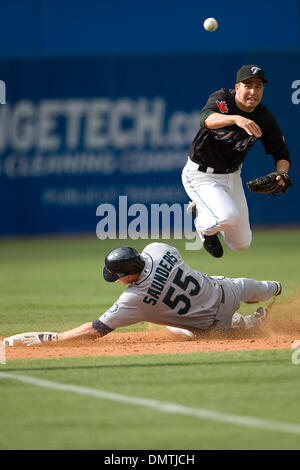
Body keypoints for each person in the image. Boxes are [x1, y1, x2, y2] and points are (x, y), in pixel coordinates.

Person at [4, 243, 282, 346]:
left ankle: (250, 323)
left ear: (126, 276)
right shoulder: (158, 249)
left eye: (117, 277)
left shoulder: (133, 300)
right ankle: (276, 291)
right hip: (227, 288)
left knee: (178, 326)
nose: (116, 281)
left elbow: (96, 330)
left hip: (215, 325)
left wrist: (57, 338)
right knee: (261, 287)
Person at [182, 64, 291, 258]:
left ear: (263, 90)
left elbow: (281, 152)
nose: (253, 91)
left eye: (258, 86)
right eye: (247, 85)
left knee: (241, 244)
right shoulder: (223, 99)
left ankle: (205, 208)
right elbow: (206, 119)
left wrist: (282, 172)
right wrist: (236, 119)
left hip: (232, 176)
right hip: (201, 175)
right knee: (227, 217)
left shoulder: (263, 117)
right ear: (237, 87)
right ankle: (203, 223)